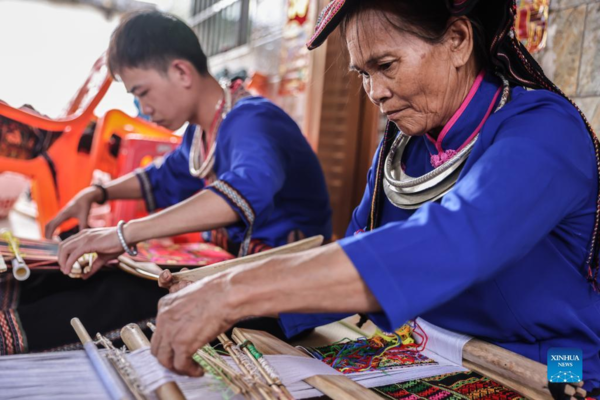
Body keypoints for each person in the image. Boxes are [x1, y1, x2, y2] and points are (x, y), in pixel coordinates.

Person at [149, 0, 600, 391]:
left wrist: (238, 291)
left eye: (386, 66)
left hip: (553, 365)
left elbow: (455, 241)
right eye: (363, 73)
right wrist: (228, 299)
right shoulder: (405, 149)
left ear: (459, 41)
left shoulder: (544, 131)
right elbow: (355, 252)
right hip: (435, 352)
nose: (375, 93)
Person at [50, 10, 332, 278]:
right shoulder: (200, 134)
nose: (144, 108)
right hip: (238, 279)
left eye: (143, 92)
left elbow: (239, 195)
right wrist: (96, 193)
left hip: (287, 292)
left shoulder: (254, 121)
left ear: (182, 72)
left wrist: (123, 235)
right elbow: (161, 177)